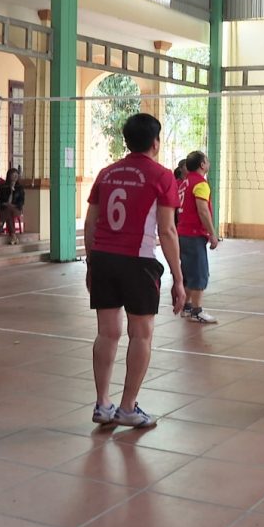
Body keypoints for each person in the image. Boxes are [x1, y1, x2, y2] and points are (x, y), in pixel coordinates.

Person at [85, 113, 185, 428]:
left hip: (103, 257)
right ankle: (128, 408)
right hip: (138, 261)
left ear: (126, 141)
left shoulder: (107, 173)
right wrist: (179, 280)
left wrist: (91, 262)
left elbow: (91, 223)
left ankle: (102, 405)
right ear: (156, 142)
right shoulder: (162, 176)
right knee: (141, 334)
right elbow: (167, 231)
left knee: (107, 332)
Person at [178, 150, 219, 323]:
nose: (208, 163)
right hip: (193, 234)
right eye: (207, 161)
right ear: (202, 164)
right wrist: (212, 233)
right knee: (199, 272)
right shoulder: (200, 184)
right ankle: (196, 310)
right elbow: (202, 210)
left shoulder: (184, 183)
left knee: (188, 271)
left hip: (182, 233)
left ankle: (186, 307)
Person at [0, 168, 26, 244]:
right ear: (9, 176)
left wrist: (12, 204)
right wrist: (10, 192)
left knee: (8, 209)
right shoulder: (3, 187)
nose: (15, 177)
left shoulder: (20, 188)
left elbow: (21, 202)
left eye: (17, 175)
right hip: (5, 208)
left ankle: (0, 224)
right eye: (13, 175)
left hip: (16, 209)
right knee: (8, 213)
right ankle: (13, 237)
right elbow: (0, 200)